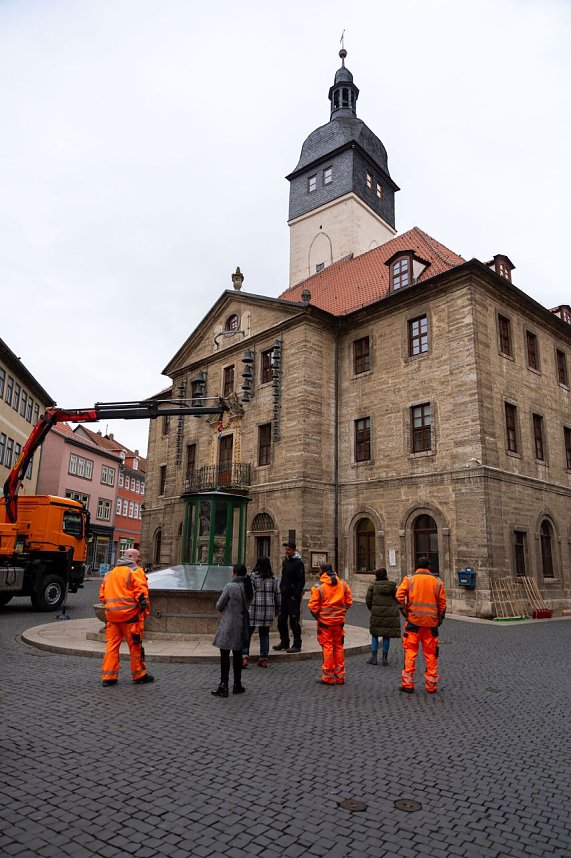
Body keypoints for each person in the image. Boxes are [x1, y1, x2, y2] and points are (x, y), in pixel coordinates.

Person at [99, 549, 153, 687]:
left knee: (111, 646)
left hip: (112, 617)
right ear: (130, 557)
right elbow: (142, 596)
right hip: (131, 617)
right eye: (138, 557)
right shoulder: (136, 571)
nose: (139, 559)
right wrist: (144, 613)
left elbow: (102, 596)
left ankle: (108, 677)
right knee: (135, 646)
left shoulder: (109, 574)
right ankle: (139, 674)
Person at [396, 556, 447, 694]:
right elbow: (442, 604)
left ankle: (408, 684)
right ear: (429, 567)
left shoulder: (410, 580)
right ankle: (431, 685)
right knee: (431, 655)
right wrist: (439, 619)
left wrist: (406, 611)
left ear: (416, 566)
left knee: (410, 653)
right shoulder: (437, 582)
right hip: (431, 624)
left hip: (414, 623)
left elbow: (399, 596)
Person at [211, 563, 254, 697]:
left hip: (228, 624)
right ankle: (237, 684)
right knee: (237, 655)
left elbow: (219, 605)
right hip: (241, 625)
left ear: (235, 573)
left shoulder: (230, 587)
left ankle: (223, 685)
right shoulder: (248, 587)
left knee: (224, 655)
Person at [308, 563, 353, 685]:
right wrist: (340, 612)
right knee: (338, 647)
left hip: (325, 623)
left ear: (322, 572)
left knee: (327, 648)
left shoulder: (319, 588)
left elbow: (313, 607)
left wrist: (319, 617)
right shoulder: (343, 585)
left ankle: (328, 676)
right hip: (339, 622)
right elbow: (349, 602)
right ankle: (340, 676)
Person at [242, 556, 280, 668]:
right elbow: (278, 594)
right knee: (264, 634)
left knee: (247, 633)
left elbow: (247, 592)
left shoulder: (252, 577)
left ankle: (244, 656)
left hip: (253, 609)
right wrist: (278, 608)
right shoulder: (273, 578)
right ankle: (263, 658)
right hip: (267, 610)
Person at [273, 541, 306, 653]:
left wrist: (295, 595)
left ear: (294, 550)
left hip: (292, 597)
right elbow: (284, 577)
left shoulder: (298, 563)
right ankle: (284, 642)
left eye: (288, 549)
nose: (286, 551)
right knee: (281, 620)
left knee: (294, 621)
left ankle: (297, 644)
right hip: (284, 595)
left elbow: (301, 581)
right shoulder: (285, 562)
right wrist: (281, 589)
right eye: (286, 549)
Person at [365, 568, 401, 665]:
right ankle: (384, 658)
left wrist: (372, 609)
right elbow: (398, 599)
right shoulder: (392, 587)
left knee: (375, 634)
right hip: (390, 613)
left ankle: (374, 657)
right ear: (386, 575)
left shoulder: (372, 586)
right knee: (386, 636)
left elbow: (368, 600)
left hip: (377, 613)